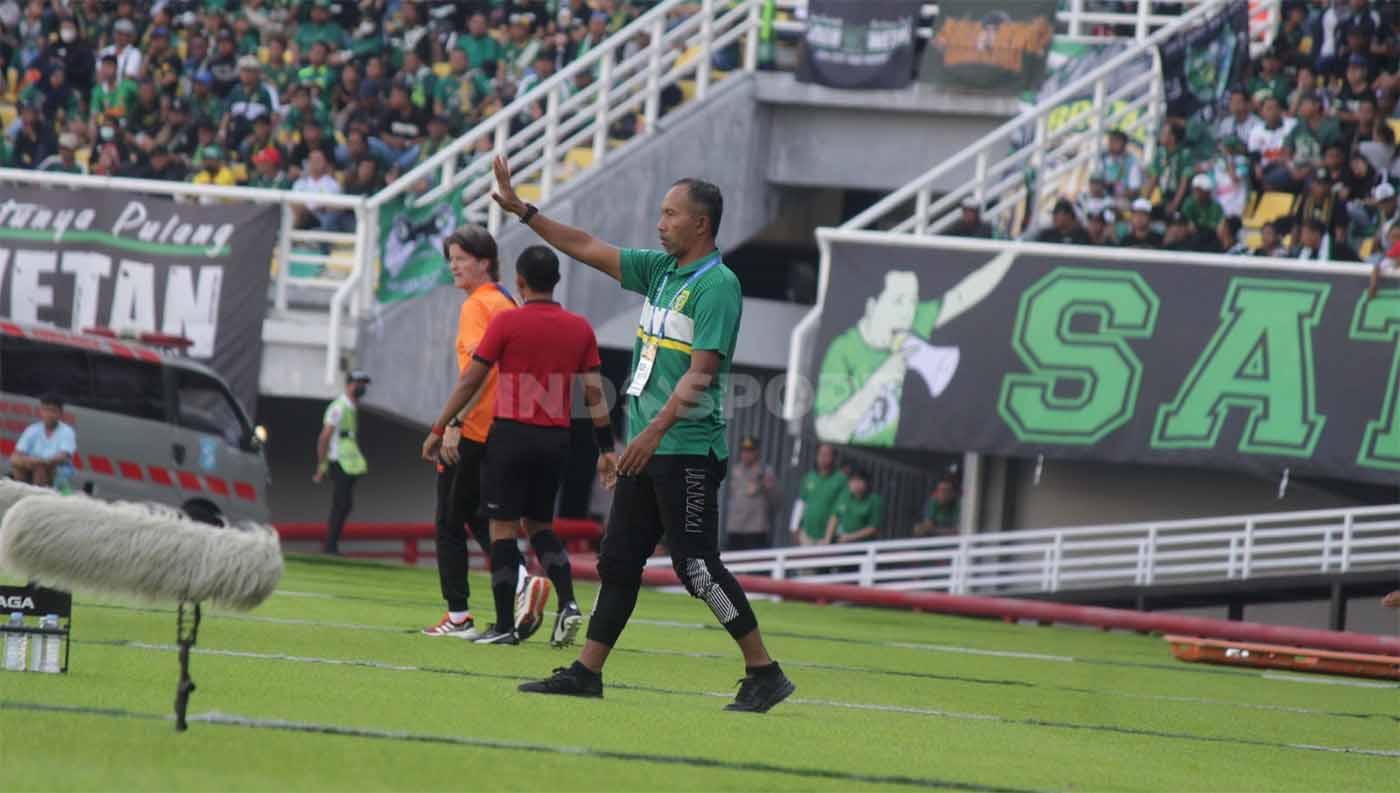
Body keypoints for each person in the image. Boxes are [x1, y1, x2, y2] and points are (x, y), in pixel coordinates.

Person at [492, 154, 796, 711]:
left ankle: (765, 671)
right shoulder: (661, 271)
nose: (660, 223)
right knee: (620, 561)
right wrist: (525, 212)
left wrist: (650, 435)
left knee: (697, 568)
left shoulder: (718, 286)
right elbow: (584, 245)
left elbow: (701, 375)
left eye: (670, 214)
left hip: (686, 449)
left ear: (700, 224)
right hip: (649, 445)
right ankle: (587, 672)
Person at [422, 245, 613, 648]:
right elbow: (595, 395)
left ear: (520, 282)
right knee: (541, 525)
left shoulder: (508, 322)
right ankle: (569, 604)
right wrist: (606, 448)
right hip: (557, 438)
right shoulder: (581, 328)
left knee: (503, 529)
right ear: (557, 281)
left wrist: (441, 426)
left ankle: (505, 625)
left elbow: (471, 380)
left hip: (510, 434)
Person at [416, 226, 519, 638]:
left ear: (484, 261)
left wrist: (453, 424)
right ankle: (525, 584)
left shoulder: (478, 305)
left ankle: (459, 614)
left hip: (476, 426)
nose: (453, 266)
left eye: (460, 258)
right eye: (451, 259)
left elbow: (480, 369)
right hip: (506, 424)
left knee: (449, 521)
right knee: (480, 516)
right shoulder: (507, 302)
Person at [314, 371, 371, 555]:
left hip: (348, 462)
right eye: (359, 383)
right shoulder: (339, 407)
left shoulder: (351, 407)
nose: (362, 387)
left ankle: (332, 544)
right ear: (349, 384)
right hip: (339, 461)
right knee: (341, 503)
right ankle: (330, 546)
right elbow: (324, 437)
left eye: (364, 383)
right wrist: (322, 465)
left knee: (345, 504)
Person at [9, 394, 76, 490]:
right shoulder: (32, 429)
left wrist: (42, 462)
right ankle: (21, 493)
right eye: (46, 410)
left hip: (58, 472)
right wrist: (28, 461)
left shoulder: (67, 431)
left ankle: (38, 496)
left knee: (40, 468)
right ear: (41, 411)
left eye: (53, 411)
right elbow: (17, 454)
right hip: (32, 465)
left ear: (60, 413)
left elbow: (62, 457)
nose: (49, 414)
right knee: (17, 463)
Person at [724, 436, 778, 551]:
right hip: (736, 529)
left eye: (750, 451)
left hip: (756, 529)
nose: (746, 455)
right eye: (743, 451)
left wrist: (767, 486)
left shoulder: (765, 471)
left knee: (755, 565)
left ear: (757, 452)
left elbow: (777, 502)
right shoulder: (736, 471)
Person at [791, 442, 847, 548]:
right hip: (807, 534)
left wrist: (830, 537)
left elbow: (840, 510)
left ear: (834, 457)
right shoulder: (809, 477)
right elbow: (801, 503)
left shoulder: (841, 479)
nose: (823, 458)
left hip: (829, 537)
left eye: (827, 455)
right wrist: (794, 527)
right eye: (820, 454)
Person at [824, 468, 881, 544]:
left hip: (862, 546)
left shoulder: (874, 500)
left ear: (867, 483)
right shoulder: (844, 496)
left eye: (859, 481)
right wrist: (827, 540)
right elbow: (834, 517)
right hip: (841, 542)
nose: (855, 484)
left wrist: (849, 537)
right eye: (852, 481)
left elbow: (873, 528)